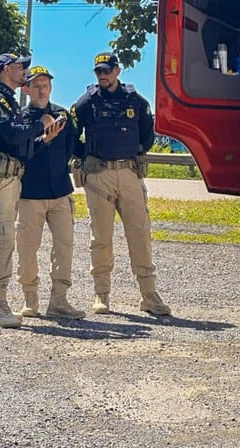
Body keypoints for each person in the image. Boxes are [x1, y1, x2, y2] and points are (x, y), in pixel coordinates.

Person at [71, 52, 171, 316]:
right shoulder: (86, 103)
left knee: (139, 233)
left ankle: (149, 296)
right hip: (99, 176)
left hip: (128, 173)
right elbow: (71, 135)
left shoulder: (136, 101)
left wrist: (133, 150)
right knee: (101, 237)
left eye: (106, 70)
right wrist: (86, 155)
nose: (102, 76)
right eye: (98, 72)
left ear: (118, 71)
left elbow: (147, 136)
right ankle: (101, 295)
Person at [0, 52, 56, 328]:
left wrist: (43, 139)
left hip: (10, 176)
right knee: (5, 238)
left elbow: (21, 146)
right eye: (22, 67)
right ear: (8, 69)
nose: (25, 72)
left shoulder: (8, 101)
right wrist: (39, 123)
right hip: (0, 177)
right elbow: (13, 134)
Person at [16, 65, 85, 320]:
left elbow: (70, 147)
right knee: (27, 248)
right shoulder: (21, 118)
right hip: (30, 194)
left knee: (64, 246)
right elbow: (21, 152)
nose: (41, 90)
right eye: (36, 85)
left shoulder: (62, 115)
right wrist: (43, 141)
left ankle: (59, 301)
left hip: (59, 192)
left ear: (51, 87)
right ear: (27, 89)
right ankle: (30, 299)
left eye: (45, 85)